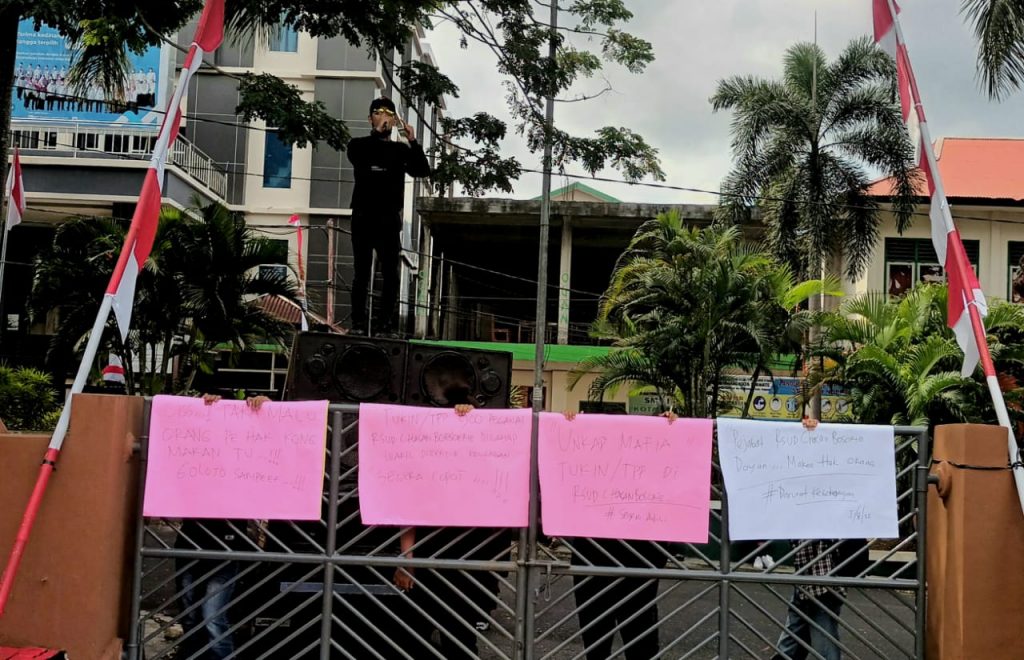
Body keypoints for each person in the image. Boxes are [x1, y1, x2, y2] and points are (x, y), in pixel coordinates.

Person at [560, 409, 676, 660]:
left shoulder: (646, 467)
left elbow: (675, 462)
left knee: (640, 643)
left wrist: (671, 426)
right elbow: (557, 460)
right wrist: (566, 424)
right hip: (594, 563)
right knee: (597, 644)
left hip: (636, 564)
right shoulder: (584, 465)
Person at [174, 394, 269, 659]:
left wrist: (267, 407)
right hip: (191, 543)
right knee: (190, 615)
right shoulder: (197, 453)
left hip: (226, 547)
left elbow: (272, 438)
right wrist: (200, 405)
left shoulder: (243, 458)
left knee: (212, 616)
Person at [345, 96, 431, 338]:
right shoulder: (358, 145)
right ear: (370, 118)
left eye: (388, 114)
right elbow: (358, 158)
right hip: (363, 216)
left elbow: (422, 170)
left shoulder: (400, 150)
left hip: (388, 219)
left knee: (391, 275)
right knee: (362, 272)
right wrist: (378, 133)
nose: (383, 117)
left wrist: (412, 141)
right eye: (378, 113)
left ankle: (385, 326)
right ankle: (358, 324)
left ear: (394, 120)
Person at [771, 417, 845, 660]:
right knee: (792, 643)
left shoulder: (824, 487)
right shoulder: (796, 488)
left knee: (824, 647)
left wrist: (815, 433)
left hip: (821, 580)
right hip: (806, 578)